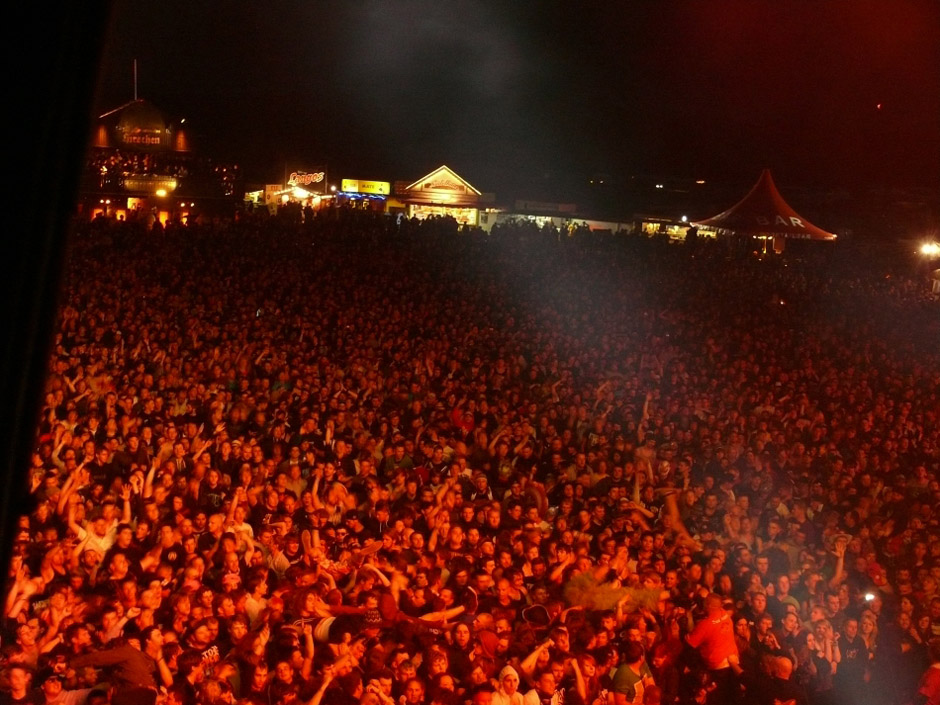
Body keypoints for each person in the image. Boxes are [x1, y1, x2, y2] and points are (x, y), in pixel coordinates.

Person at [685, 594, 739, 704]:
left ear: (709, 605)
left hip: (718, 667)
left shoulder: (705, 625)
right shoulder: (725, 614)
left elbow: (690, 643)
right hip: (733, 662)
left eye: (705, 602)